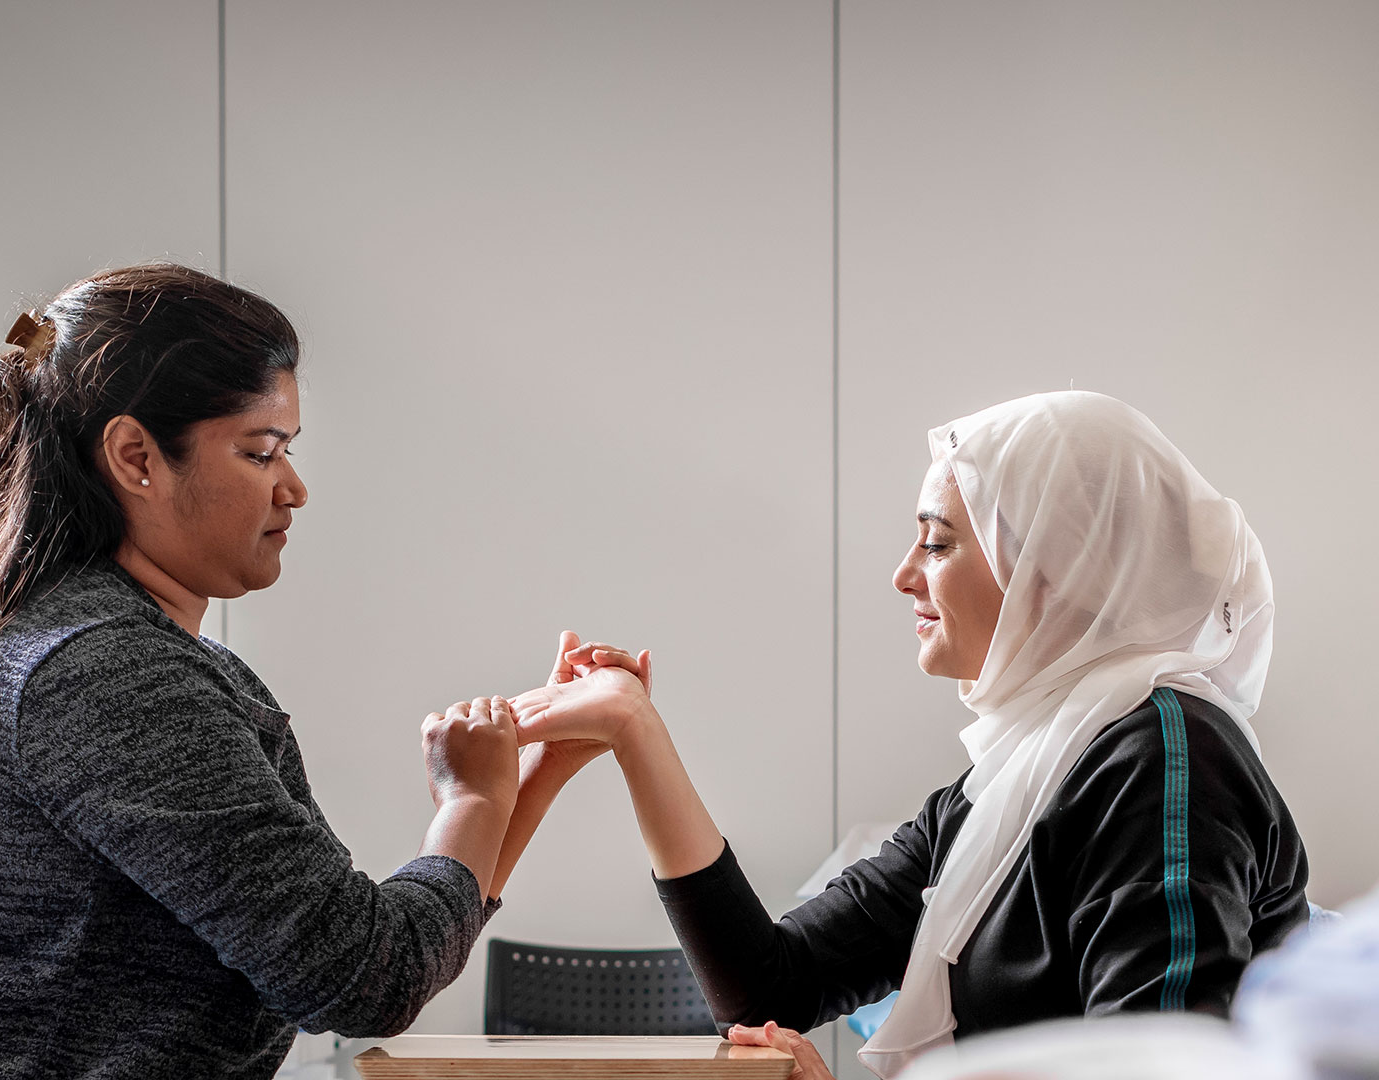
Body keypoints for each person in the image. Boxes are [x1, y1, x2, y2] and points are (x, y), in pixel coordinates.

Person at [0, 265, 573, 1077]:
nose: (295, 488)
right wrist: (475, 797)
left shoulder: (32, 640)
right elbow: (363, 979)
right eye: (261, 452)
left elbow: (381, 954)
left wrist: (530, 779)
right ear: (136, 456)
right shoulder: (111, 674)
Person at [512, 391, 1311, 1078]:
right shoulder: (1011, 782)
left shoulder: (1164, 760)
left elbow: (1154, 1069)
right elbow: (771, 989)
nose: (904, 574)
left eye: (936, 542)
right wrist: (635, 732)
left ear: (1047, 566)